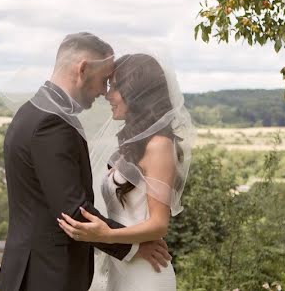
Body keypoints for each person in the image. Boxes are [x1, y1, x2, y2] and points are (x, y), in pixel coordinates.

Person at [0, 34, 171, 291]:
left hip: (33, 270)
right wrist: (133, 246)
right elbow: (74, 211)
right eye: (104, 81)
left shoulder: (31, 112)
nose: (104, 92)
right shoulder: (51, 123)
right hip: (46, 275)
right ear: (83, 69)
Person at [58, 53, 194, 291]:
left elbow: (160, 224)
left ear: (138, 93)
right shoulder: (132, 144)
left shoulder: (159, 144)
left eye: (116, 88)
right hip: (122, 266)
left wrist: (106, 235)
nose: (108, 95)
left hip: (146, 275)